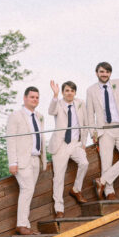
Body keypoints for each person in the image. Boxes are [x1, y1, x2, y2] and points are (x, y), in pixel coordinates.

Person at [85, 59, 119, 200]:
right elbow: (90, 114)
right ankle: (109, 192)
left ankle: (101, 181)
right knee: (106, 162)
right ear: (97, 73)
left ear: (110, 73)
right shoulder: (91, 90)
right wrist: (93, 133)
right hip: (104, 130)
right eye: (102, 71)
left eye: (107, 72)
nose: (104, 74)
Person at [6, 86, 48, 235]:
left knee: (30, 190)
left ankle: (25, 224)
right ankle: (22, 225)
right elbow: (11, 140)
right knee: (27, 189)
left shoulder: (39, 116)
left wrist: (44, 159)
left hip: (36, 159)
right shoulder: (16, 116)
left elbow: (42, 139)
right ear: (25, 98)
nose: (35, 100)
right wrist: (12, 162)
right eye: (32, 97)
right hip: (22, 160)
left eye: (37, 97)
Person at [47, 80, 90, 217]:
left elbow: (85, 123)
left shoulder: (81, 103)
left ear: (75, 92)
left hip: (75, 143)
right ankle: (59, 208)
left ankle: (76, 189)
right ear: (63, 92)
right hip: (60, 145)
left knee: (84, 163)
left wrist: (83, 142)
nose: (69, 93)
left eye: (72, 90)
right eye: (66, 90)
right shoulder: (58, 104)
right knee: (58, 177)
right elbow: (51, 111)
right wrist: (54, 95)